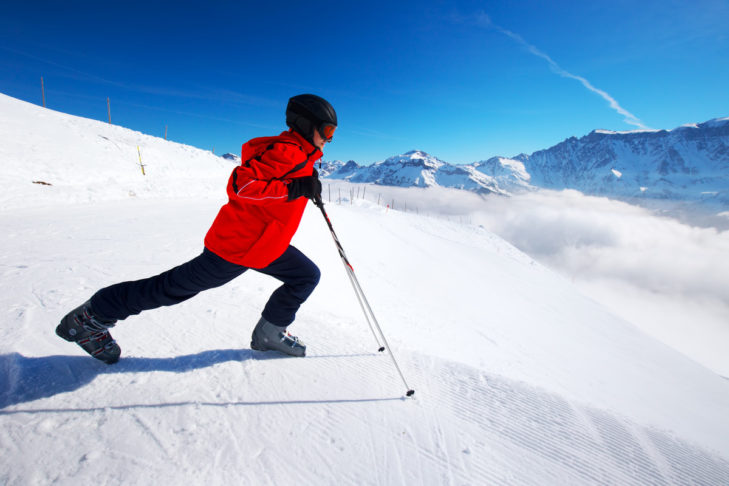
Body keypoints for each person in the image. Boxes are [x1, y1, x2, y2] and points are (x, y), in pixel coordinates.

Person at [56, 94, 337, 363]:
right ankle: (90, 318)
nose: (329, 138)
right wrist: (294, 188)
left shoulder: (301, 155)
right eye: (326, 130)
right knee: (170, 288)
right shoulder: (288, 152)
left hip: (264, 244)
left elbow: (277, 181)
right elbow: (242, 185)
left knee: (305, 275)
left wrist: (303, 182)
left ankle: (270, 332)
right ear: (305, 124)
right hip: (237, 247)